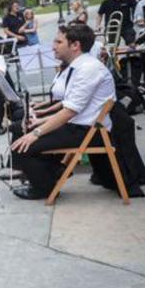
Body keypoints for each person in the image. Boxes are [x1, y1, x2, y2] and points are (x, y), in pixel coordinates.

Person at [11, 24, 117, 200]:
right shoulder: (78, 67)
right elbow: (67, 106)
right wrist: (40, 123)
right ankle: (53, 173)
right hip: (79, 126)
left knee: (23, 146)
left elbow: (69, 111)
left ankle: (45, 187)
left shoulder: (88, 68)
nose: (53, 46)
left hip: (90, 132)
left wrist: (36, 133)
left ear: (75, 45)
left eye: (59, 41)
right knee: (20, 132)